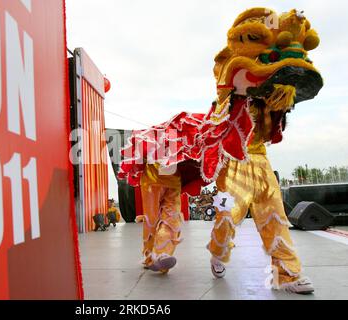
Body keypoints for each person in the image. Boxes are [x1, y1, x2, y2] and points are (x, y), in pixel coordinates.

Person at [119, 8, 322, 292]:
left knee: (274, 216)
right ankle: (215, 251)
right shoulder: (229, 100)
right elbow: (222, 108)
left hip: (261, 165)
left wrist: (285, 91)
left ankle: (287, 274)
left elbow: (285, 97)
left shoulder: (272, 98)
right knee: (226, 217)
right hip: (233, 164)